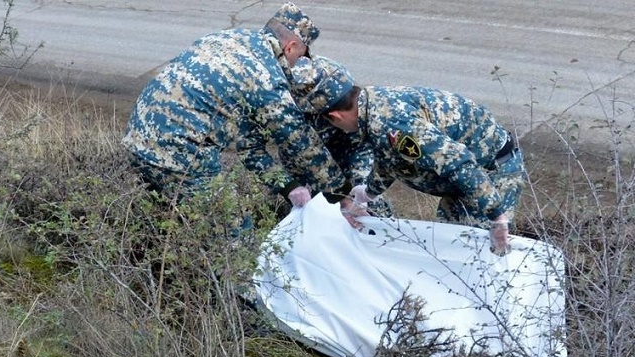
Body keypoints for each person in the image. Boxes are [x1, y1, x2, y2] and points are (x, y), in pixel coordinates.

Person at [122, 2, 351, 208]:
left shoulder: (225, 39)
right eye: (302, 56)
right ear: (290, 47)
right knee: (232, 232)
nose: (298, 64)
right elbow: (299, 141)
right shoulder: (266, 76)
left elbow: (248, 145)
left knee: (163, 215)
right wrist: (341, 195)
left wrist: (288, 186)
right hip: (180, 155)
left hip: (136, 140)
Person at [291, 57, 526, 254]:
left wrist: (496, 216)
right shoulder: (371, 105)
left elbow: (460, 163)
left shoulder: (392, 124)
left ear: (337, 116)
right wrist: (368, 192)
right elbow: (391, 159)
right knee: (452, 249)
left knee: (482, 256)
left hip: (489, 177)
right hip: (463, 184)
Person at [285, 56, 394, 217]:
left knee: (367, 203)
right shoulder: (289, 112)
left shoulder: (340, 87)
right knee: (310, 213)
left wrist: (360, 193)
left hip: (353, 150)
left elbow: (365, 147)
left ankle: (384, 233)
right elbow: (311, 155)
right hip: (307, 165)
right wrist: (341, 199)